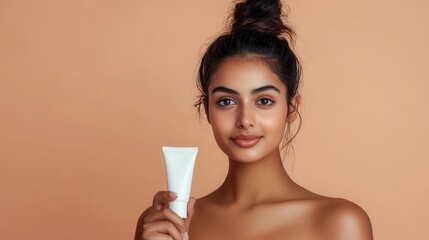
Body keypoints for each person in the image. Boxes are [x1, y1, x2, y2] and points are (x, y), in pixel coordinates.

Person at [135, 0, 373, 239]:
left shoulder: (339, 223)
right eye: (226, 101)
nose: (245, 120)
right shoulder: (168, 224)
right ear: (207, 109)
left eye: (264, 101)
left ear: (291, 107)